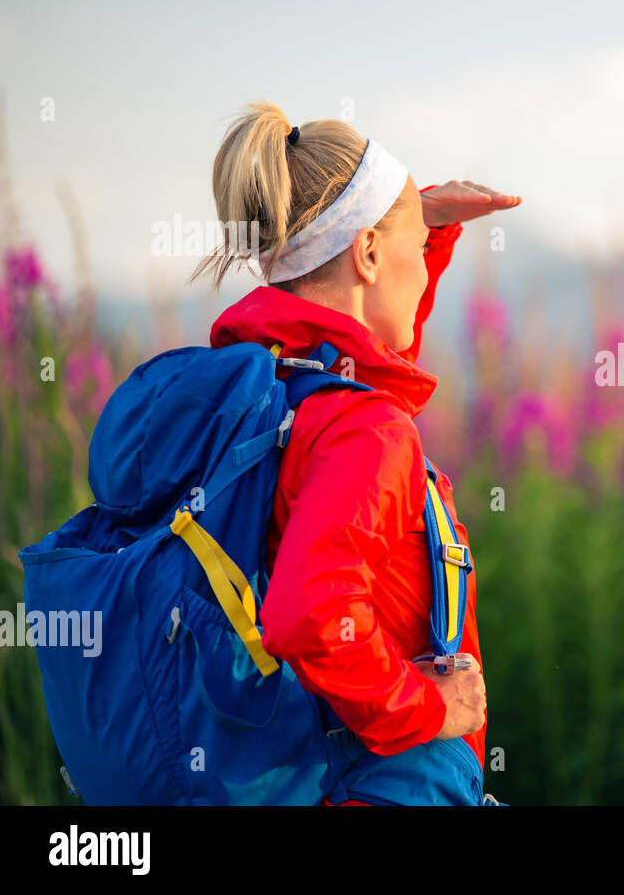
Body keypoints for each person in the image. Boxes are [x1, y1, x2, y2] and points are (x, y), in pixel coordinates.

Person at [192, 100, 519, 804]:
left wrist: (417, 228)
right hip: (386, 782)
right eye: (404, 251)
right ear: (369, 253)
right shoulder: (366, 430)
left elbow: (371, 356)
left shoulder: (283, 386)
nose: (423, 274)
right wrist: (430, 708)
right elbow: (308, 614)